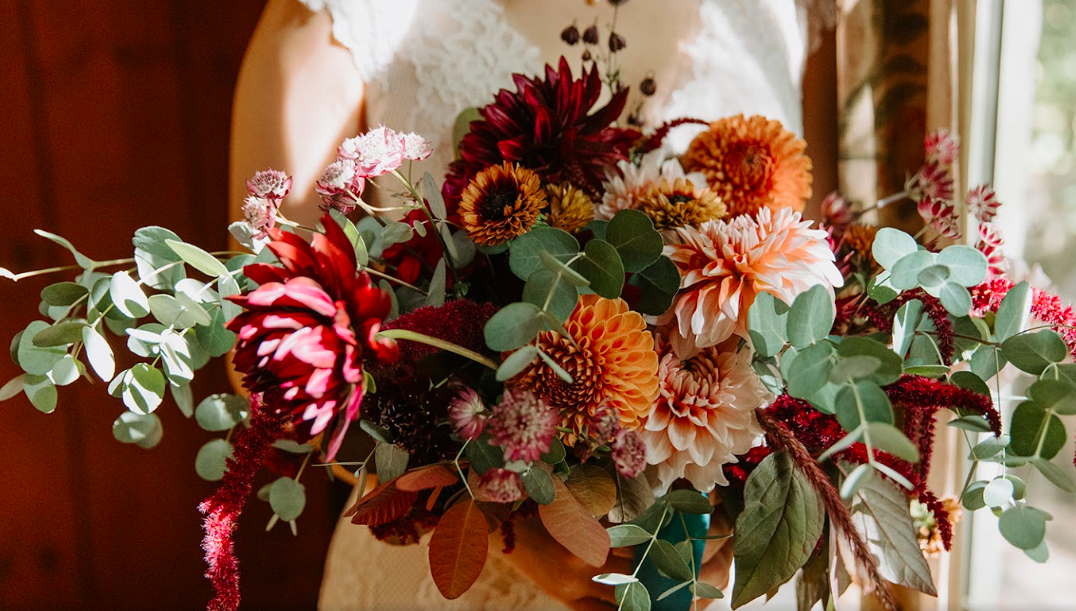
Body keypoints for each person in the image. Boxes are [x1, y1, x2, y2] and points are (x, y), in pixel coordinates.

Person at [229, 0, 823, 608]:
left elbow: (811, 286)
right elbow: (274, 347)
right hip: (462, 575)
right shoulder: (336, 19)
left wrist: (753, 500)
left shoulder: (770, 15)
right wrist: (499, 523)